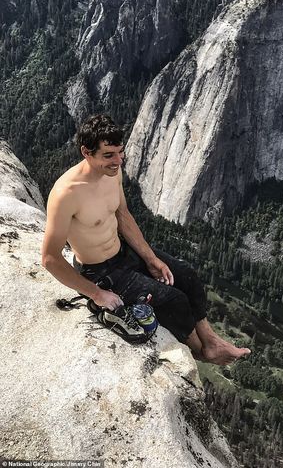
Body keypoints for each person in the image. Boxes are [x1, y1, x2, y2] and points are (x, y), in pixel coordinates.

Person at [41, 114, 250, 365]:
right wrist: (97, 294)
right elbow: (50, 258)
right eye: (108, 155)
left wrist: (150, 258)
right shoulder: (66, 194)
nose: (118, 161)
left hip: (123, 252)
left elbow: (123, 215)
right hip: (99, 272)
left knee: (186, 275)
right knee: (175, 301)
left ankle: (211, 340)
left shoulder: (111, 173)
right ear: (86, 152)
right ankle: (199, 351)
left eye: (120, 152)